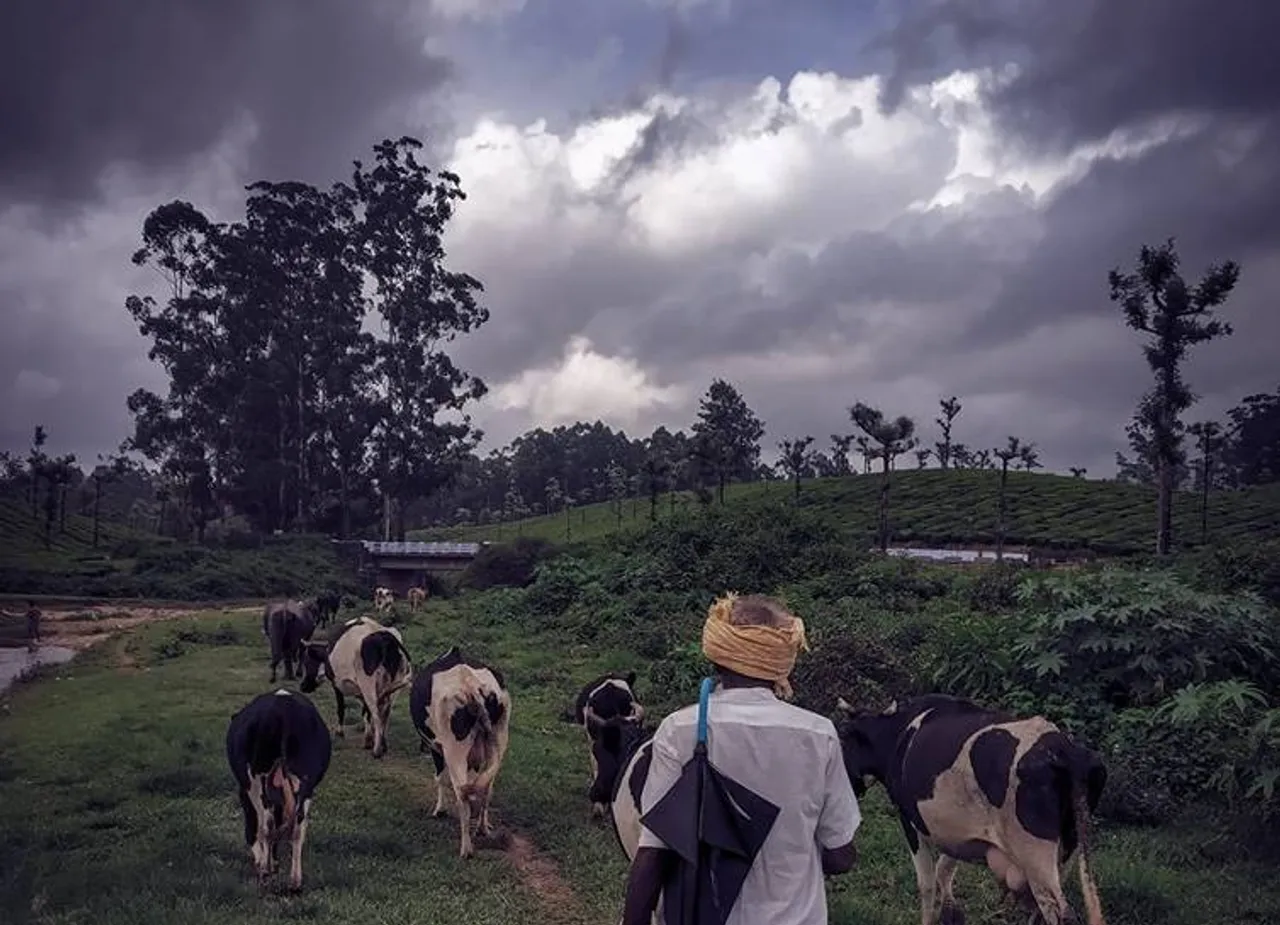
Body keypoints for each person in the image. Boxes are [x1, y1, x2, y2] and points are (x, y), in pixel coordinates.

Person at [622, 592, 861, 925]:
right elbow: (839, 856)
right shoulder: (819, 735)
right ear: (783, 661)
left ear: (716, 657)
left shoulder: (681, 729)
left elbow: (654, 853)